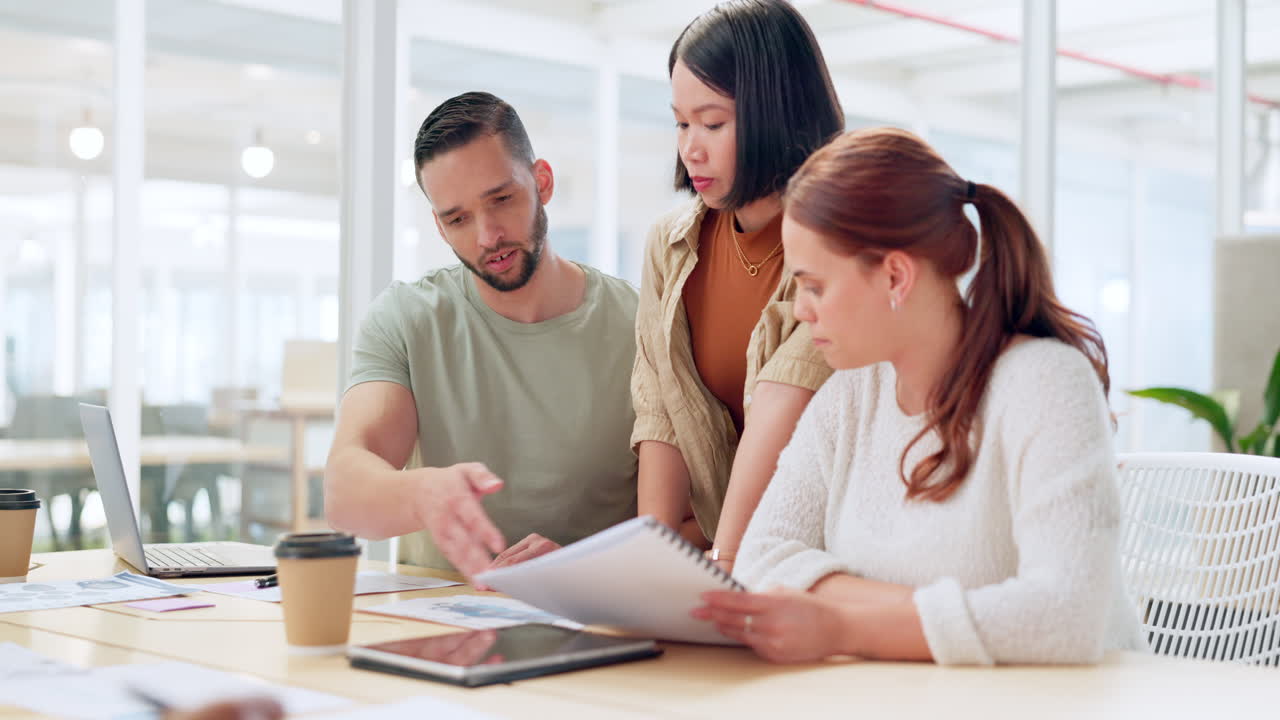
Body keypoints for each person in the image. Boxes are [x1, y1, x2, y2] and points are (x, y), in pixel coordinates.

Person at [694, 127, 1146, 664]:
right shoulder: (848, 397)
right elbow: (761, 561)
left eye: (815, 286)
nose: (800, 310)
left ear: (894, 276)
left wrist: (843, 625)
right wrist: (951, 616)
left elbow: (1065, 614)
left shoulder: (1045, 382)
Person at [325, 92, 639, 578]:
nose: (487, 235)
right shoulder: (408, 318)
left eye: (501, 200)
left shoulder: (641, 325)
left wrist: (585, 566)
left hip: (597, 623)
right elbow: (345, 493)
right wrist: (421, 493)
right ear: (438, 225)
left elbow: (695, 521)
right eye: (458, 219)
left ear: (542, 182)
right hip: (443, 632)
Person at [633, 0, 843, 571]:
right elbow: (660, 414)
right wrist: (648, 566)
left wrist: (723, 569)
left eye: (713, 123)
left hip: (819, 559)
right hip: (721, 556)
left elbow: (784, 399)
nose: (690, 148)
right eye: (681, 122)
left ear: (776, 112)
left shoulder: (840, 244)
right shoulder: (670, 246)